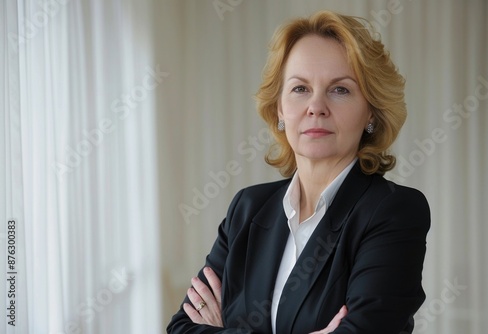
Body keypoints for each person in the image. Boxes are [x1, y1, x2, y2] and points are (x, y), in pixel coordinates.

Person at [167, 10, 430, 334]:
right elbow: (182, 327)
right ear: (279, 108)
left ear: (371, 112)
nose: (316, 106)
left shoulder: (393, 212)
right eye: (300, 88)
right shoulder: (247, 208)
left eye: (340, 89)